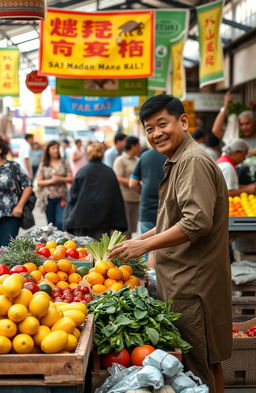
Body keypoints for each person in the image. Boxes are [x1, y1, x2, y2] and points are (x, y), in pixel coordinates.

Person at [109, 94, 232, 393]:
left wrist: (143, 247)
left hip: (194, 284)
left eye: (162, 124)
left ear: (184, 122)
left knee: (197, 366)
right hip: (188, 281)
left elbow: (196, 222)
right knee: (206, 362)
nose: (155, 134)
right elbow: (174, 221)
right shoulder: (178, 161)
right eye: (149, 129)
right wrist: (139, 239)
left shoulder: (191, 161)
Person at [63, 142, 127, 240]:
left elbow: (72, 197)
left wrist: (67, 221)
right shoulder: (109, 172)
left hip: (81, 219)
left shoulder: (82, 171)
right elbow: (116, 198)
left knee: (82, 251)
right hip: (103, 220)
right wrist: (119, 223)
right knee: (99, 253)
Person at [129, 148, 165, 266]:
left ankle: (150, 281)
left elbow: (132, 183)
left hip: (147, 208)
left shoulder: (145, 156)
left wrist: (143, 194)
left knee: (147, 249)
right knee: (165, 249)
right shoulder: (174, 155)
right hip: (168, 210)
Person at [0, 137, 32, 246]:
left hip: (10, 215)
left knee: (5, 249)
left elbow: (28, 186)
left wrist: (19, 206)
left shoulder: (13, 166)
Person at [36, 140, 72, 230]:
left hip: (62, 197)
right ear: (48, 150)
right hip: (48, 198)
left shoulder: (64, 162)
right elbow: (39, 182)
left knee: (60, 222)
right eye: (53, 148)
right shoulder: (44, 164)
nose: (56, 150)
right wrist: (51, 181)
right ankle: (52, 243)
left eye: (57, 148)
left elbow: (71, 179)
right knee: (50, 224)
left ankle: (61, 242)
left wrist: (61, 179)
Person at [113, 136, 141, 239]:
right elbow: (117, 178)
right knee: (124, 230)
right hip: (124, 199)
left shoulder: (138, 160)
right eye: (138, 145)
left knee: (131, 229)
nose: (140, 148)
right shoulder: (120, 160)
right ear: (133, 146)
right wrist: (132, 182)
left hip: (136, 198)